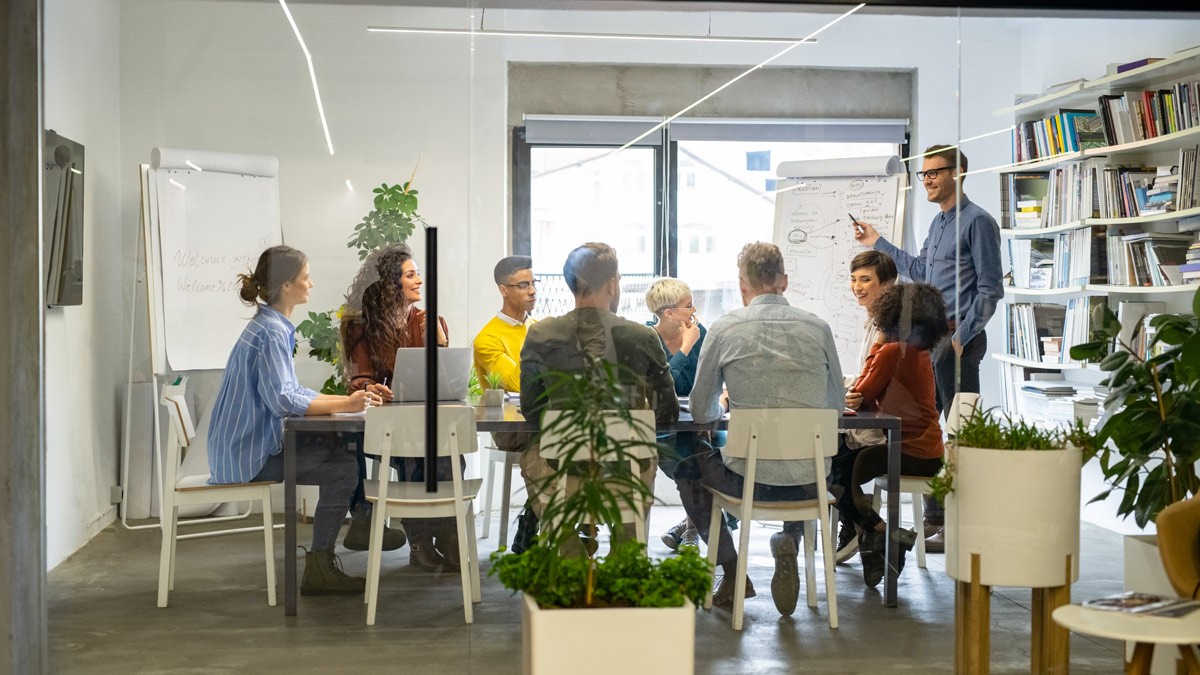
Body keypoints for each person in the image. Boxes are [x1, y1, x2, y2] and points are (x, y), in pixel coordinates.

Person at [207, 245, 382, 596]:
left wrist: (350, 402)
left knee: (341, 453)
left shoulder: (269, 326)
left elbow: (293, 390)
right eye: (305, 278)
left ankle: (342, 541)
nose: (311, 284)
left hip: (243, 448)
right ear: (286, 286)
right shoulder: (271, 333)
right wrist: (346, 404)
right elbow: (283, 400)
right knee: (343, 469)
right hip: (249, 456)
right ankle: (320, 566)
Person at [852, 144, 1002, 551]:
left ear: (959, 173)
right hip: (927, 341)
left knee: (960, 433)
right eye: (924, 174)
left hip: (957, 342)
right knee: (926, 431)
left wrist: (958, 339)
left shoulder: (979, 223)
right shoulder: (937, 225)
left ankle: (959, 527)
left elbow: (990, 291)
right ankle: (936, 521)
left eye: (935, 173)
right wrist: (878, 240)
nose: (929, 180)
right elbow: (918, 271)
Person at [681, 242, 844, 617]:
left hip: (746, 482)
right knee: (798, 462)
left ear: (743, 285)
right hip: (810, 482)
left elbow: (702, 409)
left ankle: (734, 570)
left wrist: (727, 403)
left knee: (687, 469)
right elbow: (835, 407)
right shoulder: (819, 329)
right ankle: (788, 536)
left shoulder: (723, 329)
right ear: (783, 282)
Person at [519, 242, 679, 550]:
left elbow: (532, 409)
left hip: (559, 470)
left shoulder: (541, 334)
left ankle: (568, 548)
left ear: (570, 283)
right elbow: (667, 411)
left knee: (533, 454)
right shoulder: (642, 336)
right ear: (612, 283)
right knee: (644, 454)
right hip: (626, 470)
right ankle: (626, 550)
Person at [341, 244, 456, 573]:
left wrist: (441, 342)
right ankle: (420, 541)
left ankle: (448, 537)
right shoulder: (362, 329)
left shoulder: (429, 322)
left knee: (449, 454)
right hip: (387, 427)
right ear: (392, 284)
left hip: (424, 422)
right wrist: (371, 388)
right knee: (413, 455)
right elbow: (358, 379)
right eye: (411, 274)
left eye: (418, 273)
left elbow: (444, 378)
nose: (419, 280)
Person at [837, 283, 948, 588]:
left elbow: (862, 393)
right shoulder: (919, 351)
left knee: (835, 472)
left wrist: (879, 343)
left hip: (909, 450)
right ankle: (881, 539)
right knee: (843, 464)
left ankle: (883, 533)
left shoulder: (890, 351)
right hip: (929, 452)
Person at [832, 251, 899, 563]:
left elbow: (872, 381)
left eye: (866, 280)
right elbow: (863, 377)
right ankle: (867, 525)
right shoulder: (872, 321)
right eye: (854, 279)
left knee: (827, 463)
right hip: (870, 420)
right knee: (825, 453)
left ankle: (867, 526)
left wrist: (854, 391)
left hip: (890, 430)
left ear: (886, 284)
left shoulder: (889, 326)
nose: (857, 287)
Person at [472, 255, 539, 553]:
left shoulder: (536, 328)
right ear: (503, 289)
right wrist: (540, 341)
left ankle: (532, 520)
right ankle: (539, 523)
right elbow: (517, 383)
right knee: (560, 443)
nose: (532, 291)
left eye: (533, 283)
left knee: (573, 440)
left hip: (540, 419)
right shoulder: (487, 339)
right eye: (523, 285)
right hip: (510, 428)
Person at [643, 278, 707, 553]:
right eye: (688, 306)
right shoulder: (646, 337)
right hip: (662, 426)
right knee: (689, 465)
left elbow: (708, 378)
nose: (694, 312)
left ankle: (688, 526)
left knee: (730, 463)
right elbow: (662, 387)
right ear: (668, 313)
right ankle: (693, 528)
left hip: (700, 421)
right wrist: (685, 349)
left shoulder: (700, 332)